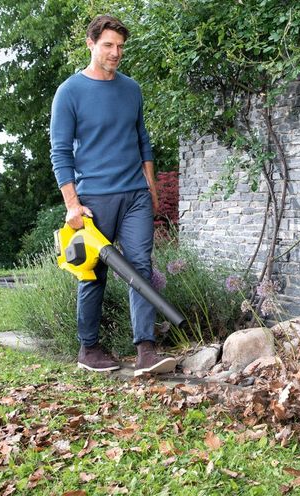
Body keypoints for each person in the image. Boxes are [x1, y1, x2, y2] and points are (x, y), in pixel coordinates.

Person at [50, 14, 177, 376]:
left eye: (120, 46)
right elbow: (60, 152)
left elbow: (143, 141)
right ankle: (88, 348)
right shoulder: (70, 92)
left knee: (141, 267)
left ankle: (145, 350)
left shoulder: (131, 89)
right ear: (91, 44)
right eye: (108, 45)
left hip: (135, 194)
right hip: (94, 200)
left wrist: (151, 189)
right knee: (93, 273)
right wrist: (72, 205)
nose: (115, 52)